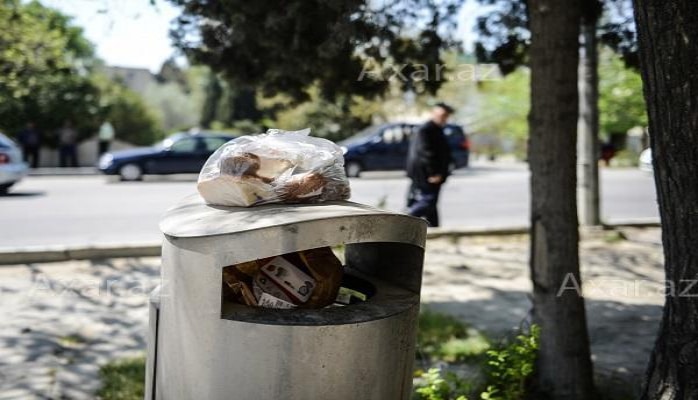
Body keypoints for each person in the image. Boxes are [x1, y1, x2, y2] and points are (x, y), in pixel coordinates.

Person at [406, 102, 454, 227]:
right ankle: (404, 219)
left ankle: (435, 228)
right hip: (427, 174)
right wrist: (434, 173)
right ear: (434, 114)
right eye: (442, 115)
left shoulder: (436, 129)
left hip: (429, 173)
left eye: (446, 116)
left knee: (431, 203)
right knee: (428, 201)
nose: (444, 118)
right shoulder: (427, 130)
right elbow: (427, 153)